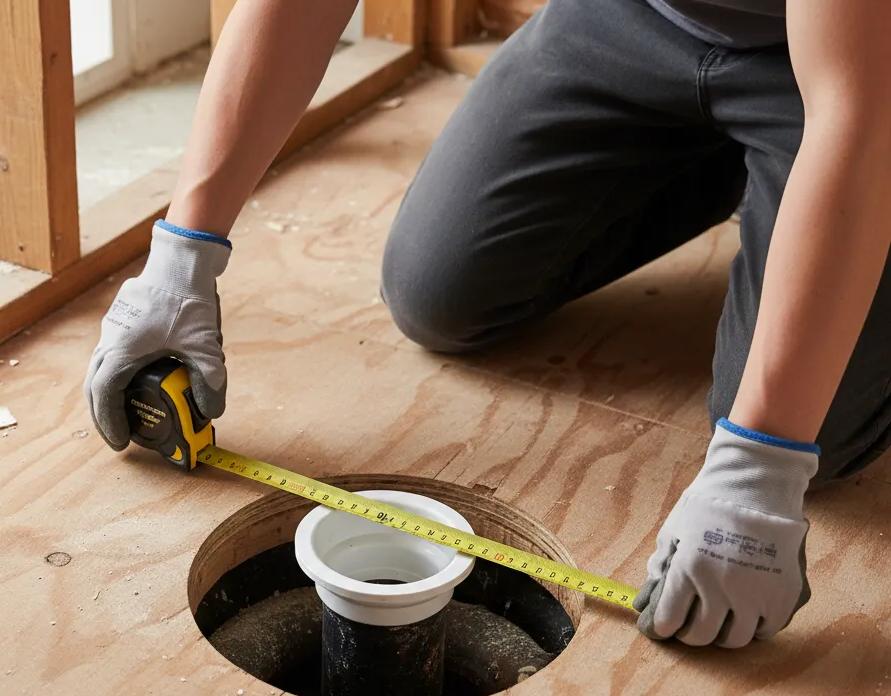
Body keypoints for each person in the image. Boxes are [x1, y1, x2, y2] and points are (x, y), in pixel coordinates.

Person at [84, 0, 891, 649]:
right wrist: (183, 252)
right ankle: (735, 168)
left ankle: (797, 190)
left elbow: (854, 112)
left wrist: (759, 465)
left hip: (860, 68)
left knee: (816, 436)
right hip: (639, 18)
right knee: (438, 291)